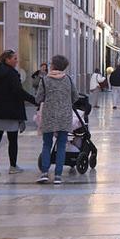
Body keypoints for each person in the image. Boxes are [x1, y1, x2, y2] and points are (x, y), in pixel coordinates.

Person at [0, 49, 37, 177]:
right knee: (12, 139)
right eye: (14, 58)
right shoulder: (12, 74)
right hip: (11, 110)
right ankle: (13, 166)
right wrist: (34, 100)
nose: (16, 61)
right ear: (7, 59)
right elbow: (18, 91)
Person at [35, 55, 79, 184]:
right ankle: (58, 176)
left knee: (47, 144)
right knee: (61, 145)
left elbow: (38, 98)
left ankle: (44, 173)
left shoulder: (45, 80)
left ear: (53, 65)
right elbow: (75, 97)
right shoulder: (69, 80)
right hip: (64, 116)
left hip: (49, 115)